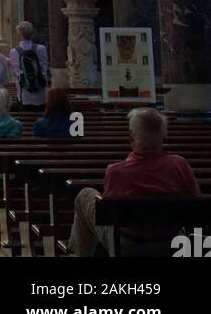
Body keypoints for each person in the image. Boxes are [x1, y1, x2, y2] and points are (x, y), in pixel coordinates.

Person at [69, 107, 201, 257]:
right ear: (163, 134)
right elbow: (195, 203)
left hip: (127, 247)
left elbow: (109, 216)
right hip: (170, 245)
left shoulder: (116, 171)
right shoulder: (180, 165)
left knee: (84, 195)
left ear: (131, 137)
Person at [9, 20, 49, 109]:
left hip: (24, 94)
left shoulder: (14, 52)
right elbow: (44, 68)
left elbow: (15, 72)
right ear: (32, 33)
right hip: (41, 92)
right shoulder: (41, 49)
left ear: (19, 34)